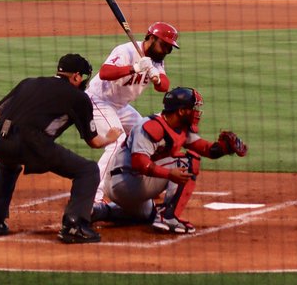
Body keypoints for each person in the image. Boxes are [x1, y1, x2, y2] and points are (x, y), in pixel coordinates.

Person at [0, 54, 121, 244]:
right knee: (88, 170)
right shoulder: (78, 97)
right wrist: (110, 137)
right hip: (32, 144)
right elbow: (94, 142)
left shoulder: (29, 82)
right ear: (75, 76)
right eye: (82, 77)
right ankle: (74, 226)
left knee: (7, 164)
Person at [96, 87, 248, 235]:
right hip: (125, 180)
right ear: (181, 111)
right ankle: (168, 217)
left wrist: (225, 148)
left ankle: (99, 212)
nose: (196, 112)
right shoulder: (150, 127)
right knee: (187, 162)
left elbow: (206, 150)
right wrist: (169, 174)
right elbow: (139, 163)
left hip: (130, 183)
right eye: (193, 108)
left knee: (146, 215)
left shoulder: (180, 127)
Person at [87, 21, 178, 207]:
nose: (165, 51)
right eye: (164, 45)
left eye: (169, 48)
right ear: (151, 39)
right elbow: (104, 73)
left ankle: (145, 184)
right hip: (98, 101)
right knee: (117, 142)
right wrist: (135, 68)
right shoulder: (126, 51)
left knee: (147, 134)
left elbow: (164, 87)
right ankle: (91, 195)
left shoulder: (156, 59)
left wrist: (156, 77)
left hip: (120, 106)